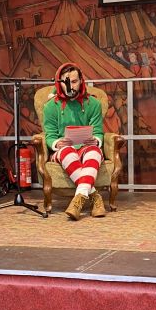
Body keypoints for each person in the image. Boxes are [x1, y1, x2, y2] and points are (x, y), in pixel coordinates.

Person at [42, 62, 106, 220]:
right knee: (68, 152)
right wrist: (57, 143)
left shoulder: (94, 104)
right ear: (59, 83)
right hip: (64, 150)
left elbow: (98, 131)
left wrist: (95, 140)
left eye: (74, 81)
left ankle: (78, 199)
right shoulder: (50, 106)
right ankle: (94, 197)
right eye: (66, 82)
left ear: (82, 81)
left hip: (85, 147)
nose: (70, 86)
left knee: (94, 151)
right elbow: (49, 135)